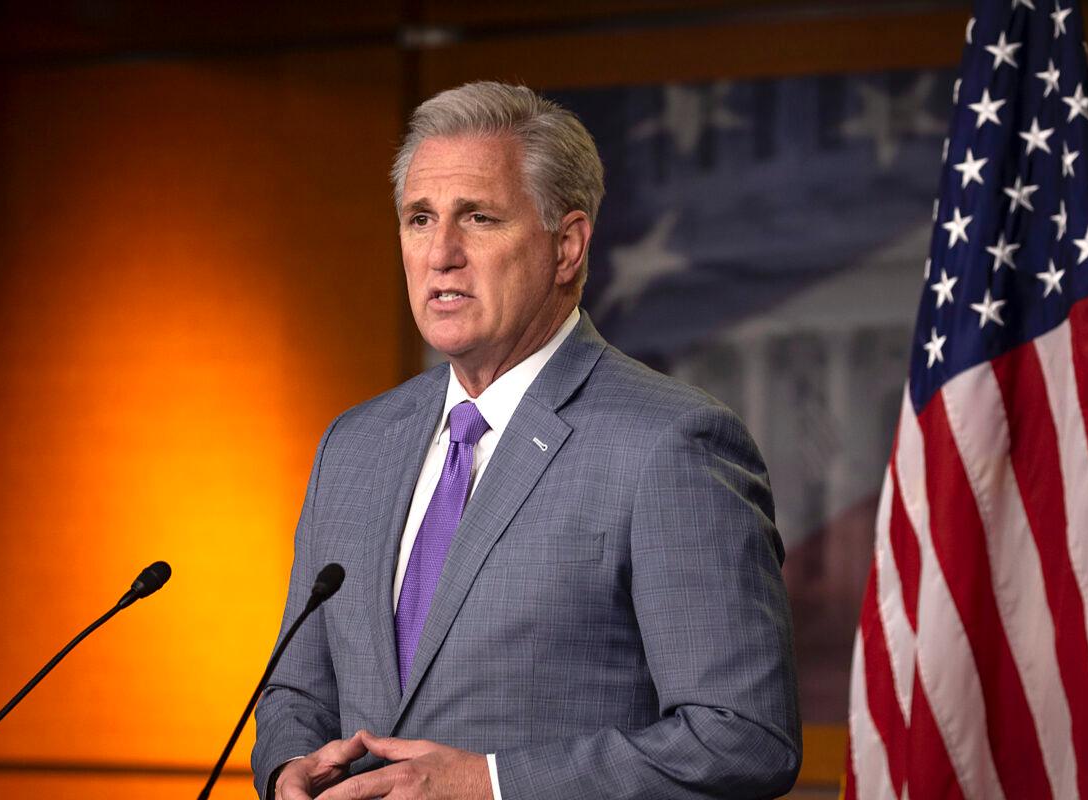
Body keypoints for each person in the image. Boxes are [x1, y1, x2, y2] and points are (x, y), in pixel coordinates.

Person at [252, 81, 800, 800]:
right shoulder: (353, 446)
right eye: (419, 219)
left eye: (478, 218)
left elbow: (743, 736)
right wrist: (289, 766)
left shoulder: (670, 444)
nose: (441, 252)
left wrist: (489, 783)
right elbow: (296, 688)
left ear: (567, 246)